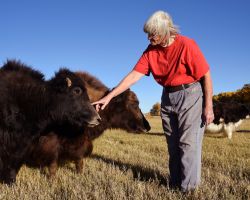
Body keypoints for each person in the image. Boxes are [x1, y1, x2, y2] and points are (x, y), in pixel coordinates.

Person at [92, 10, 214, 192]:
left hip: (190, 93)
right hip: (168, 96)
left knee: (188, 144)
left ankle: (188, 190)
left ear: (166, 31)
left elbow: (205, 75)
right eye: (148, 33)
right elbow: (133, 76)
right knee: (173, 144)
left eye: (153, 34)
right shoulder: (151, 51)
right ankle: (174, 185)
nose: (149, 37)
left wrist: (208, 106)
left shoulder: (186, 45)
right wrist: (109, 97)